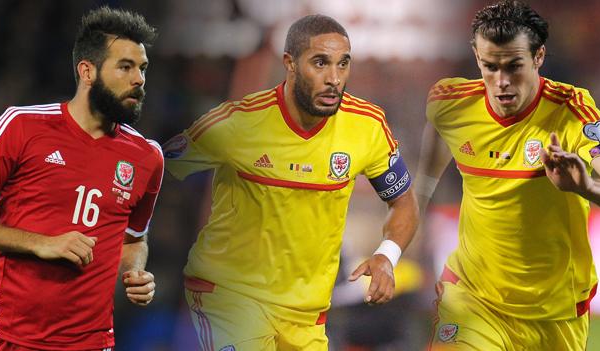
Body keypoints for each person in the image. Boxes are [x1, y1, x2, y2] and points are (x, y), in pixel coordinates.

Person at [163, 14, 419, 350]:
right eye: (320, 63)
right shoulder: (239, 122)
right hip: (232, 296)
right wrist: (133, 237)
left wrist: (387, 256)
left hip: (307, 315)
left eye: (343, 65)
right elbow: (155, 162)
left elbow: (404, 203)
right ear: (290, 64)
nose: (334, 78)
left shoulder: (367, 127)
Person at [417, 1, 600, 349]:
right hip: (474, 298)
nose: (501, 81)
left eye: (514, 66)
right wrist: (412, 216)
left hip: (554, 310)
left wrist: (587, 187)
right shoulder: (451, 102)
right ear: (477, 57)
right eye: (490, 67)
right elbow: (432, 155)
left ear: (538, 57)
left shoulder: (575, 113)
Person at [0, 7, 163, 350]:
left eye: (142, 69)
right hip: (5, 332)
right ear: (87, 71)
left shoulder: (147, 157)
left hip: (92, 341)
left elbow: (134, 239)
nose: (139, 79)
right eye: (125, 67)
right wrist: (42, 242)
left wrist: (135, 273)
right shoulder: (20, 127)